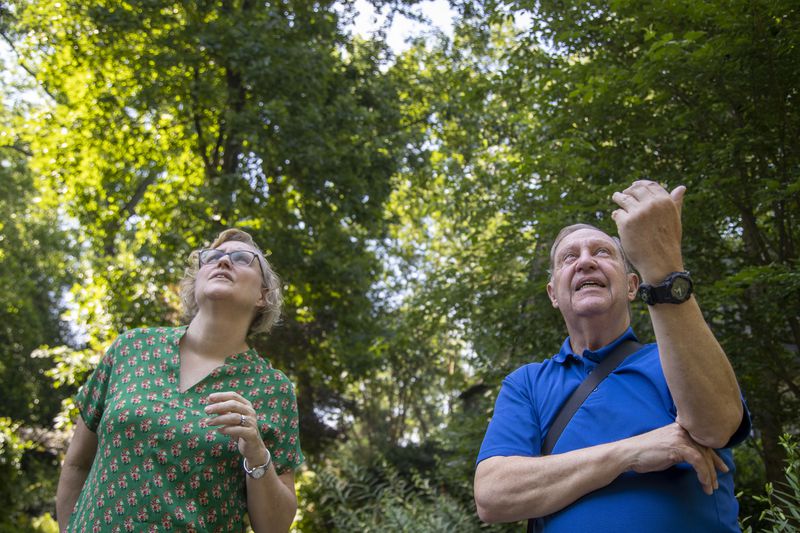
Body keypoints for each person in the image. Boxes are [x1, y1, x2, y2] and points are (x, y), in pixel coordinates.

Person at [473, 181, 750, 532]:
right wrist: (631, 452)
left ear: (633, 286)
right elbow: (493, 495)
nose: (586, 261)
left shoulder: (675, 357)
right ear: (553, 294)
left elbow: (719, 423)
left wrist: (662, 265)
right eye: (569, 258)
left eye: (602, 252)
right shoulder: (526, 384)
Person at [56, 228, 304, 533]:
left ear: (263, 296)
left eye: (241, 258)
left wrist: (256, 451)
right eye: (212, 258)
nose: (224, 262)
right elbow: (77, 464)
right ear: (195, 281)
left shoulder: (272, 389)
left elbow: (274, 527)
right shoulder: (131, 348)